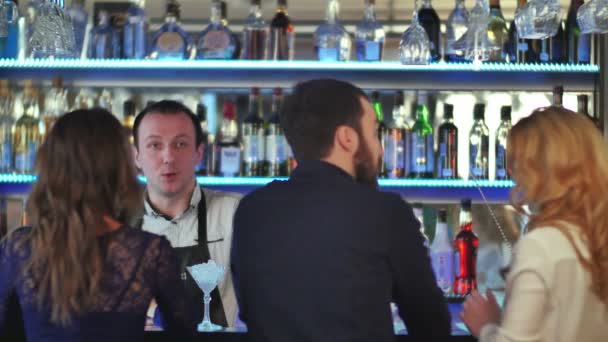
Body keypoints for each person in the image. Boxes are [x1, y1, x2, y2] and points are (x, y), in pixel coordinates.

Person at [231, 79, 451, 341]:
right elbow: (430, 324)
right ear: (347, 138)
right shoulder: (385, 212)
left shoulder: (251, 210)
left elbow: (248, 311)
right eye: (373, 133)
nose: (380, 149)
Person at [0, 108, 196, 341]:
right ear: (120, 168)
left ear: (51, 167)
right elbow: (185, 332)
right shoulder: (149, 252)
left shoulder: (20, 247)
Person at [461, 106, 608, 341]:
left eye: (521, 163)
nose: (513, 173)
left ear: (548, 170)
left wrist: (486, 326)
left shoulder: (542, 244)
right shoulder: (597, 236)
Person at [132, 100, 241, 327]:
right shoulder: (118, 222)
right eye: (154, 145)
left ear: (199, 153)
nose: (168, 157)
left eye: (180, 144)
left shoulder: (236, 213)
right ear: (137, 156)